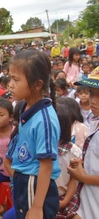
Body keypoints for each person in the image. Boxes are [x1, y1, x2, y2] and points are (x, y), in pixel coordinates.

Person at [6, 49, 61, 218]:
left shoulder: (44, 119)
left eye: (16, 80)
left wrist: (37, 207)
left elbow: (46, 165)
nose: (10, 84)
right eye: (10, 78)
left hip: (34, 184)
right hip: (24, 180)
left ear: (37, 84)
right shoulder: (25, 107)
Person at [67, 67, 99, 218]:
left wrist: (83, 176)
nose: (93, 99)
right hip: (89, 203)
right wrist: (83, 163)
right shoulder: (94, 121)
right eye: (92, 92)